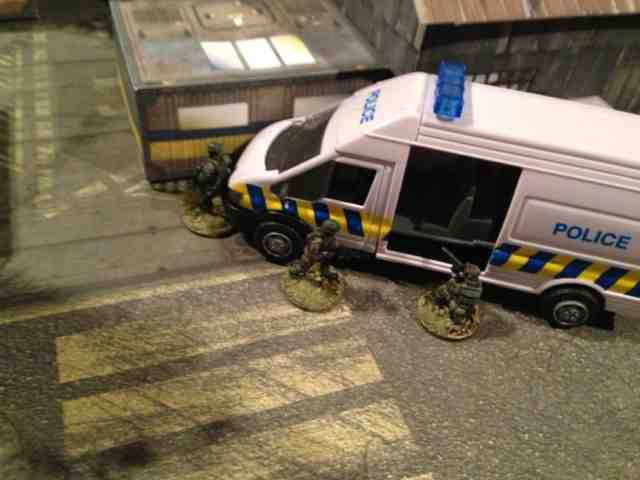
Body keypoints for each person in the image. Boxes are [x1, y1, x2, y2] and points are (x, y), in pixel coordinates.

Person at [192, 143, 232, 214]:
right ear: (217, 152)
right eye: (219, 151)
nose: (221, 153)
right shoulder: (210, 165)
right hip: (212, 192)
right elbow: (202, 179)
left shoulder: (219, 161)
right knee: (217, 209)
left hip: (218, 190)